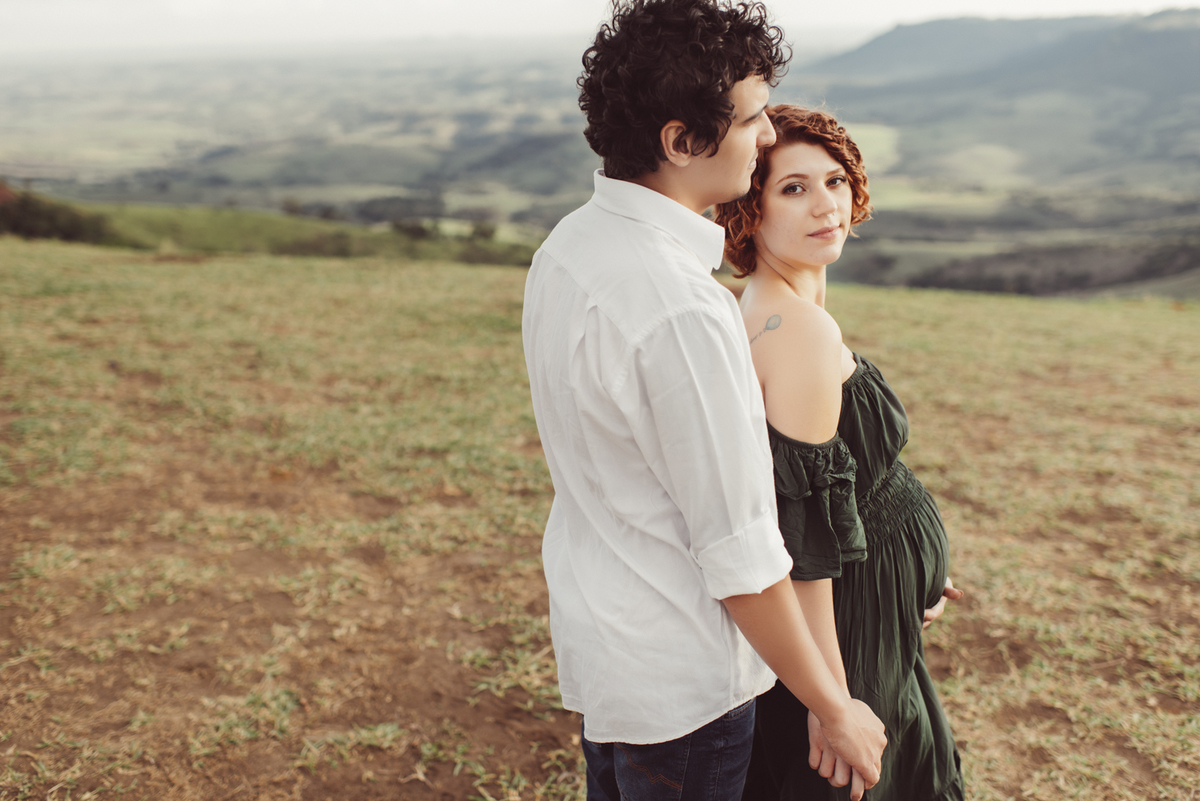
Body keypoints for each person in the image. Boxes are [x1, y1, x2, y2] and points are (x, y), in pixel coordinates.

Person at [521, 3, 887, 800]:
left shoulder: (568, 248)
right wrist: (833, 705)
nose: (764, 138)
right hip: (686, 684)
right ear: (682, 141)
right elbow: (740, 553)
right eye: (753, 119)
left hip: (610, 649)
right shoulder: (684, 308)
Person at [714, 105, 966, 801]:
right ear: (749, 211)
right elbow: (805, 543)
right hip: (845, 623)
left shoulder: (779, 306)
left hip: (875, 596)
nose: (826, 204)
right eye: (792, 188)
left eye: (834, 180)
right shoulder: (796, 331)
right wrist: (833, 702)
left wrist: (912, 572)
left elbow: (839, 490)